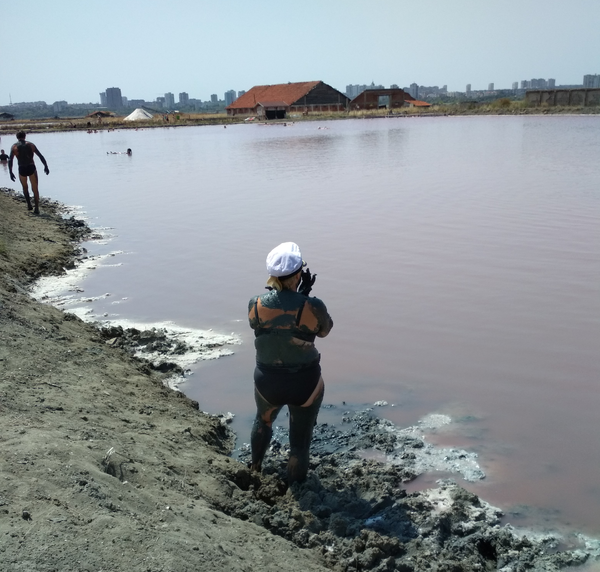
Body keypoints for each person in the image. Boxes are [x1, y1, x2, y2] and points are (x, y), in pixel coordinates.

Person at [248, 242, 333, 485]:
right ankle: (296, 492)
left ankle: (254, 471)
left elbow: (269, 330)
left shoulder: (255, 304)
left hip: (267, 381)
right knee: (299, 442)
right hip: (304, 382)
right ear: (298, 274)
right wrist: (304, 298)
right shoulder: (313, 305)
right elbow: (324, 331)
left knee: (262, 421)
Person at [8, 131, 49, 215]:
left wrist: (10, 172)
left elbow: (10, 160)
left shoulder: (14, 146)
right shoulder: (31, 145)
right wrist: (45, 166)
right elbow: (40, 156)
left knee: (25, 187)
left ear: (17, 137)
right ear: (25, 136)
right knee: (35, 188)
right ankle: (36, 208)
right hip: (31, 167)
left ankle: (29, 204)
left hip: (22, 168)